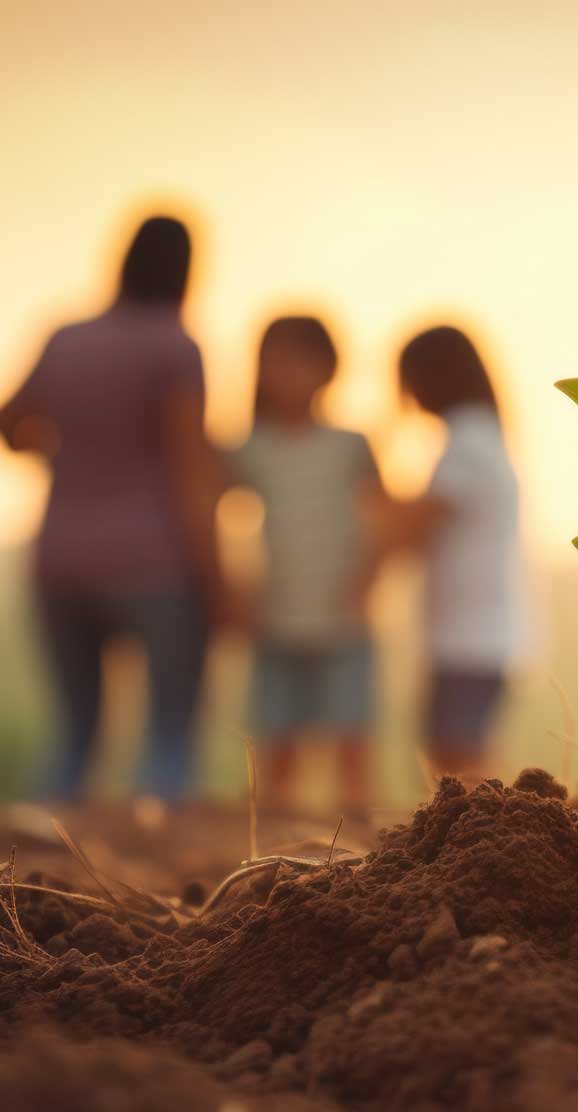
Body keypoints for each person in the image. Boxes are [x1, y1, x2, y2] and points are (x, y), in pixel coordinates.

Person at [0, 215, 225, 800]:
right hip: (155, 563)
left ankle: (35, 871)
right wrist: (218, 579)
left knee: (73, 734)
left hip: (59, 558)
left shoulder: (66, 337)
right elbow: (192, 475)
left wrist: (58, 443)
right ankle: (160, 871)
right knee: (168, 736)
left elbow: (8, 423)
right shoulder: (176, 348)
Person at [225, 315, 384, 822]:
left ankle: (364, 859)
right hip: (277, 620)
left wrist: (365, 584)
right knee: (278, 757)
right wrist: (235, 590)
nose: (286, 373)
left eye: (299, 360)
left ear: (328, 369)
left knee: (353, 752)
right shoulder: (250, 449)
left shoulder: (351, 445)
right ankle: (278, 858)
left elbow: (382, 521)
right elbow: (211, 513)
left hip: (344, 621)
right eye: (275, 361)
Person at [377, 326, 525, 777]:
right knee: (458, 753)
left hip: (473, 636)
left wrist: (363, 475)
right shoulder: (481, 436)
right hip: (474, 632)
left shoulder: (469, 441)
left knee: (459, 757)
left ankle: (488, 840)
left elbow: (413, 524)